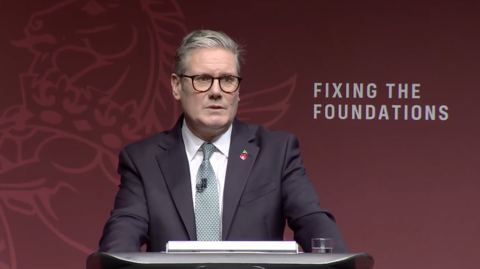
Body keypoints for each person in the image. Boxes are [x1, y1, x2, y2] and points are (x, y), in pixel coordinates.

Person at [98, 29, 349, 253]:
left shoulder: (276, 152)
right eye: (203, 79)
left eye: (228, 80)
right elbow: (124, 230)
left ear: (238, 91)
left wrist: (337, 261)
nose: (216, 91)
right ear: (176, 86)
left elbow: (312, 220)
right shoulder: (143, 160)